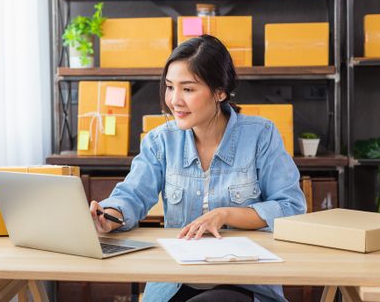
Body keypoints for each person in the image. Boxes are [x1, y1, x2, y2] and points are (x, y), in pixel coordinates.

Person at [89, 34, 306, 302]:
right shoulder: (160, 141)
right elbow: (132, 195)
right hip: (176, 283)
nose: (174, 100)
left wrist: (226, 214)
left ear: (220, 91)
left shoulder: (261, 135)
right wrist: (108, 216)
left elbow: (291, 207)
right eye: (170, 87)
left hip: (243, 284)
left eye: (188, 89)